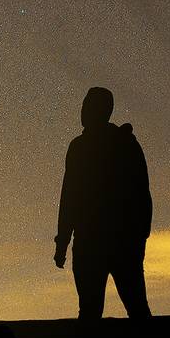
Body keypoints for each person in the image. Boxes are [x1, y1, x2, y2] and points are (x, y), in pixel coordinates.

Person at [53, 86, 153, 321]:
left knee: (125, 309)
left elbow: (69, 197)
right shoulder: (118, 144)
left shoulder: (112, 145)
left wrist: (139, 238)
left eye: (88, 106)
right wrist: (63, 241)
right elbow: (69, 197)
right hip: (105, 242)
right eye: (83, 106)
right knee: (111, 310)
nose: (83, 111)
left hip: (108, 242)